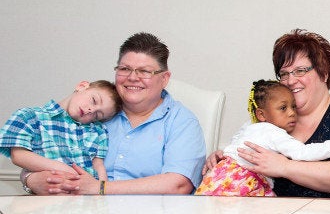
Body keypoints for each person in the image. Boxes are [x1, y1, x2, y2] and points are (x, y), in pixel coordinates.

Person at [204, 28, 330, 200]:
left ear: (324, 73)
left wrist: (284, 166)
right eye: (284, 74)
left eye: (300, 71)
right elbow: (247, 154)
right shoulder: (271, 119)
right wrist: (227, 157)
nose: (290, 80)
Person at [23, 32, 207, 195]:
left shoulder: (182, 122)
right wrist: (30, 180)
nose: (132, 77)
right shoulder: (92, 112)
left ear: (164, 78)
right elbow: (45, 153)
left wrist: (100, 188)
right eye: (125, 69)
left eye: (144, 71)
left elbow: (178, 184)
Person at [196, 79, 330, 196]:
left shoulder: (251, 126)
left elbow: (234, 145)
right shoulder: (273, 132)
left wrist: (221, 153)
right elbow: (303, 153)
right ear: (261, 114)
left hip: (217, 179)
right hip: (241, 185)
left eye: (293, 106)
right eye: (283, 108)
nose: (292, 113)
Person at [0, 80, 122, 181]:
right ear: (82, 86)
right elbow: (18, 155)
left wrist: (101, 193)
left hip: (87, 199)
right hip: (46, 198)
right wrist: (65, 169)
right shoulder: (29, 116)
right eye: (94, 100)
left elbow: (98, 165)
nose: (91, 110)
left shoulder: (98, 131)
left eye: (97, 115)